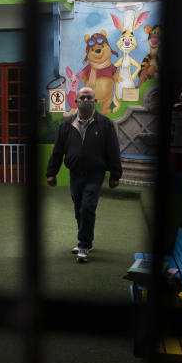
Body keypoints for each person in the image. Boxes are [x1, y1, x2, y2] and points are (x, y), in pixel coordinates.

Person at [46, 86, 122, 262]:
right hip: (75, 174)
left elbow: (113, 151)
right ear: (76, 101)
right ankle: (87, 240)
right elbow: (57, 151)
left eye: (89, 98)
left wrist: (115, 175)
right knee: (79, 208)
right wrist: (52, 173)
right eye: (82, 98)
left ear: (95, 101)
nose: (86, 101)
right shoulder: (66, 125)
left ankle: (83, 245)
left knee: (88, 207)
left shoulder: (105, 124)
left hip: (96, 174)